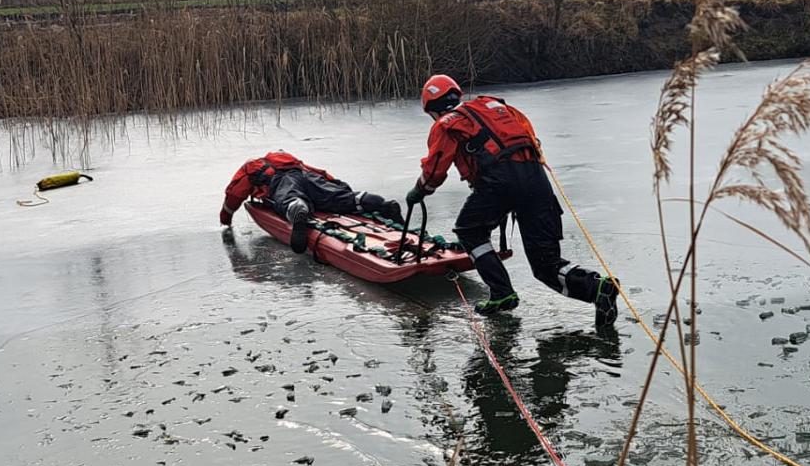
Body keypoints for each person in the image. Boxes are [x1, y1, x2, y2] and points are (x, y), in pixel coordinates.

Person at [405, 74, 619, 326]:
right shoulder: (496, 106)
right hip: (536, 179)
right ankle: (597, 288)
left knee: (470, 230)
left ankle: (501, 292)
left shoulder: (446, 124)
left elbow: (435, 169)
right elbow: (528, 135)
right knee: (546, 264)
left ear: (432, 108)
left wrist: (419, 191)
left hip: (498, 181)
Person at [220, 152, 402, 254]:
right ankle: (377, 203)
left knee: (290, 199)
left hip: (281, 183)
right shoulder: (283, 158)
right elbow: (317, 172)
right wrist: (338, 184)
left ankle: (298, 210)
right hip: (307, 176)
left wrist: (225, 220)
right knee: (340, 198)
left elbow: (233, 195)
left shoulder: (250, 169)